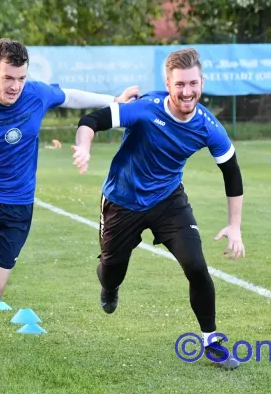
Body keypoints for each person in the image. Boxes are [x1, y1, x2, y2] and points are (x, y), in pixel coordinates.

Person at [0, 38, 140, 389]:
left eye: (20, 78)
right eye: (8, 78)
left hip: (18, 209)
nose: (15, 86)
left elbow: (72, 96)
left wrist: (114, 100)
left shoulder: (36, 93)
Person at [71, 47, 245, 370]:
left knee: (196, 265)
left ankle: (211, 340)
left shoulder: (209, 127)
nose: (187, 91)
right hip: (122, 201)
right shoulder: (144, 109)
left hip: (168, 200)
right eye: (180, 84)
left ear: (202, 82)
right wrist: (84, 145)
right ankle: (109, 288)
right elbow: (90, 120)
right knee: (111, 271)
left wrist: (235, 225)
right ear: (168, 84)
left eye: (193, 84)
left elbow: (232, 172)